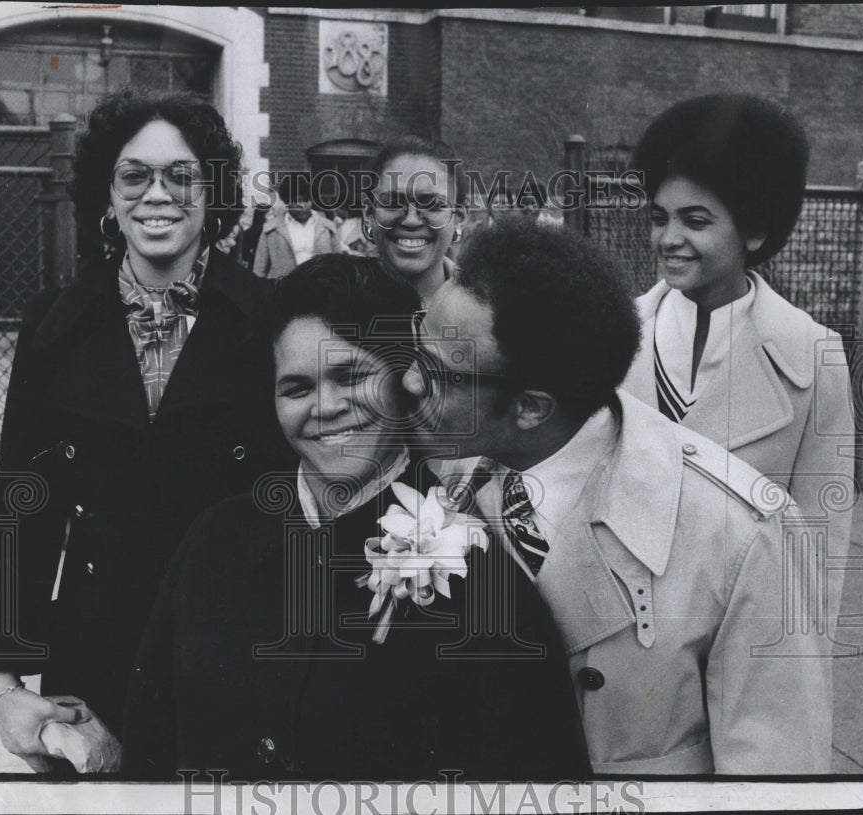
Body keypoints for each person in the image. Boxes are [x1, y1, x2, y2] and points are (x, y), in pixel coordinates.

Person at [123, 254, 591, 781]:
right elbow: (150, 745)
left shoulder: (483, 582)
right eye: (296, 387)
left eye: (351, 376)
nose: (325, 406)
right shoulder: (212, 542)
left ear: (405, 381)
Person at [400, 217, 833, 774]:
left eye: (438, 372)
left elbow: (777, 778)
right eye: (418, 344)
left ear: (531, 407)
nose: (410, 383)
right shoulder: (443, 468)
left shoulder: (744, 534)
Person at [0, 88, 290, 773]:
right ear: (107, 195)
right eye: (135, 175)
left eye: (181, 175)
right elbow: (23, 504)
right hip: (94, 660)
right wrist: (3, 683)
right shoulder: (55, 325)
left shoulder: (267, 320)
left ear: (213, 193)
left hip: (233, 652)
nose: (158, 194)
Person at [622, 94, 855, 631]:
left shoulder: (814, 360)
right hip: (619, 658)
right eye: (660, 218)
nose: (669, 239)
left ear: (754, 229)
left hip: (739, 652)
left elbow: (817, 552)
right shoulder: (614, 336)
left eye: (696, 220)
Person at [363, 136, 467, 302]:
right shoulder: (333, 305)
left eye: (432, 204)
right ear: (369, 215)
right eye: (393, 203)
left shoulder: (490, 307)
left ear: (458, 219)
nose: (411, 220)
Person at [253, 175, 337, 279]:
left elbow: (340, 265)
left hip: (321, 290)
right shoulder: (271, 229)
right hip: (282, 291)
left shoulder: (328, 228)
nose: (301, 205)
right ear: (287, 202)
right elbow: (259, 269)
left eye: (305, 200)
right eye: (296, 201)